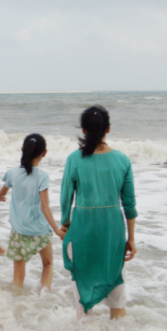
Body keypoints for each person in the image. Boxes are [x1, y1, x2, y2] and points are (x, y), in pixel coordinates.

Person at [60, 105, 137, 320]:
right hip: (113, 233)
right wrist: (131, 239)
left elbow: (66, 198)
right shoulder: (122, 160)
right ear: (108, 129)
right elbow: (129, 205)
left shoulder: (74, 159)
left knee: (83, 297)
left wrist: (65, 224)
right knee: (117, 294)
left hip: (83, 231)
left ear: (83, 130)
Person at [0, 134, 64, 293]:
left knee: (18, 276)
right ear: (44, 153)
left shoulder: (12, 173)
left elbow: (1, 193)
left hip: (19, 232)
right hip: (39, 231)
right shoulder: (42, 176)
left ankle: (17, 303)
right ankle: (44, 296)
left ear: (23, 150)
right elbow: (45, 207)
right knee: (47, 265)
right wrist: (56, 229)